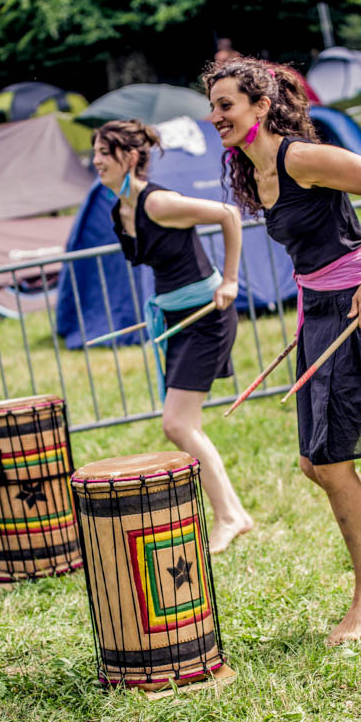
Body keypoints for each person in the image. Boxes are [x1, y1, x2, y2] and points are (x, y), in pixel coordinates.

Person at [203, 57, 361, 647]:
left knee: (331, 461)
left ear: (261, 106)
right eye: (212, 106)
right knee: (315, 462)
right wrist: (307, 316)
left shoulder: (301, 158)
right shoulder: (254, 169)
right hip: (320, 311)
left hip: (357, 306)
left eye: (226, 105)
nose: (215, 116)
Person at [92, 119, 253, 554]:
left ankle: (228, 517)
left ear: (129, 157)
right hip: (177, 317)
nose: (96, 161)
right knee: (185, 425)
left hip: (207, 317)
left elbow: (229, 214)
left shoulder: (158, 202)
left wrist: (231, 280)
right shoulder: (119, 210)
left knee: (177, 424)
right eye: (95, 153)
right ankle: (235, 514)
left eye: (104, 153)